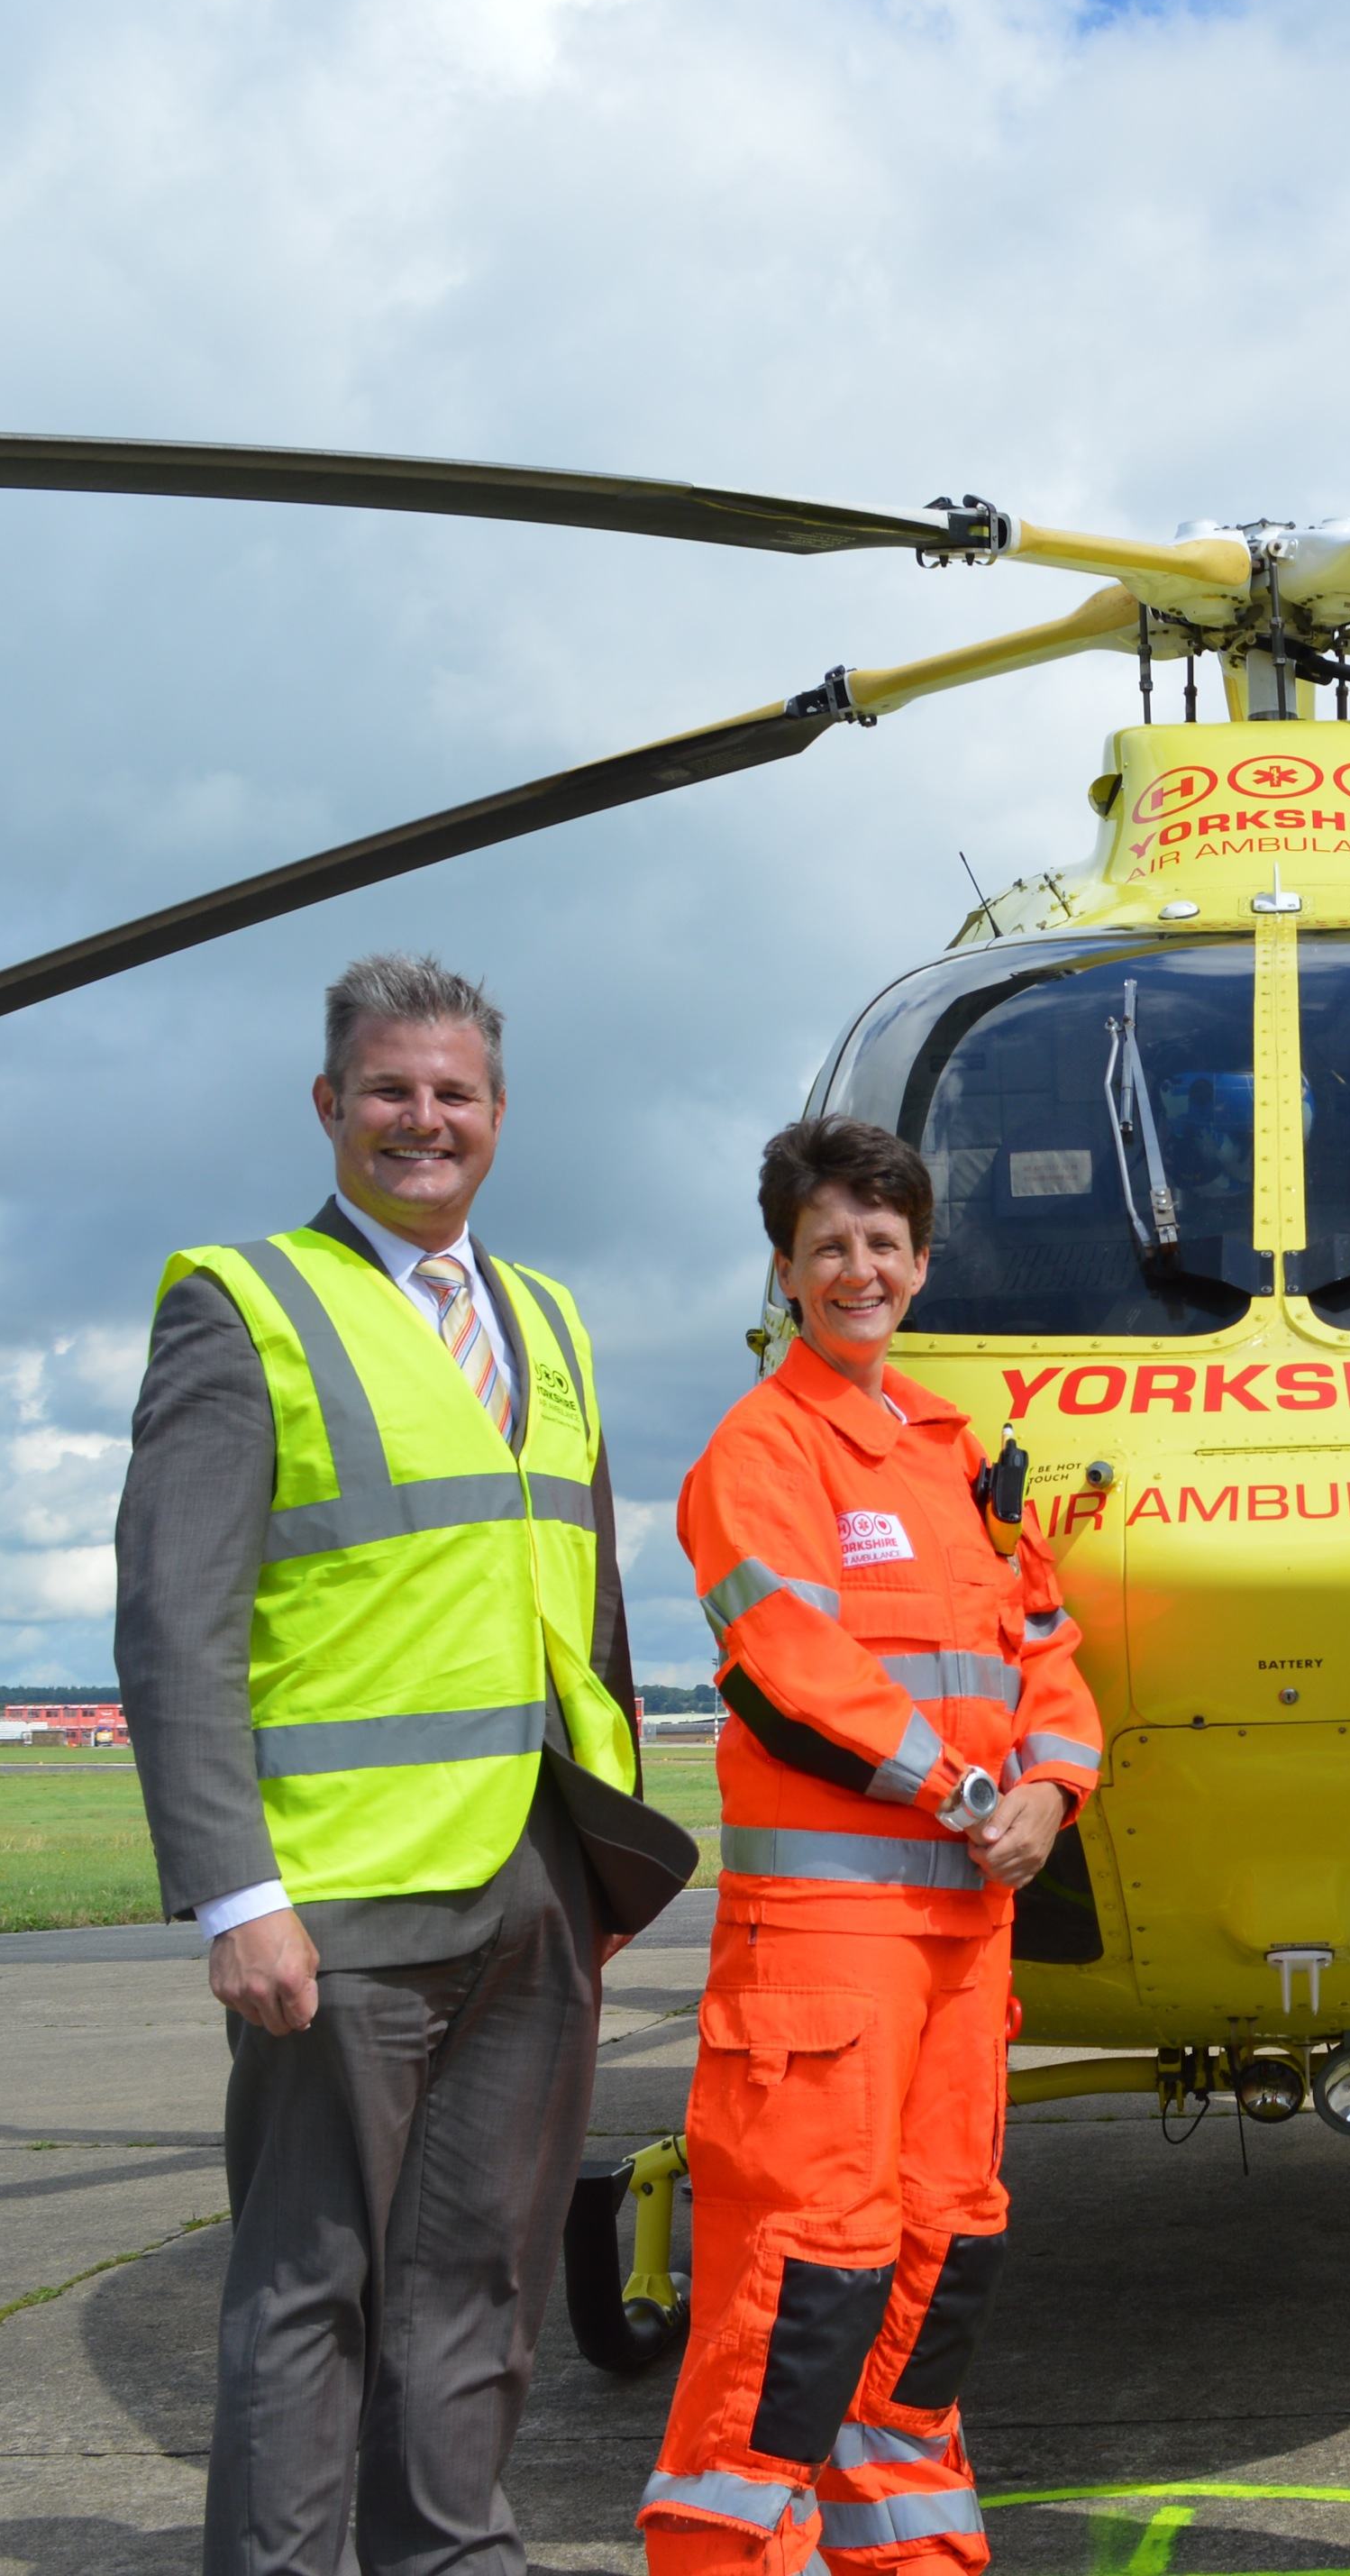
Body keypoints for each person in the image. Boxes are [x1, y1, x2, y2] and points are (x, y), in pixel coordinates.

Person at [116, 951, 699, 2576]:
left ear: (499, 1119)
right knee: (312, 2285)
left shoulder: (553, 1318)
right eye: (389, 1090)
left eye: (452, 1094)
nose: (420, 1120)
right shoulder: (242, 1306)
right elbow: (175, 1627)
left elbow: (588, 1609)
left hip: (536, 1878)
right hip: (342, 1892)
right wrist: (238, 1895)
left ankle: (450, 2549)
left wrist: (607, 1854)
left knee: (482, 2270)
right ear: (329, 1107)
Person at [640, 1116, 1102, 2576]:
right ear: (785, 1269)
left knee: (940, 2253)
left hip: (965, 1948)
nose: (860, 1269)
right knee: (803, 2279)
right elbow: (792, 1666)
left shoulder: (949, 1462)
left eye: (884, 1245)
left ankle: (903, 2555)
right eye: (830, 1245)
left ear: (918, 1266)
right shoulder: (761, 1452)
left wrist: (1055, 1792)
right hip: (825, 1956)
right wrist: (972, 1797)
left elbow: (1047, 1650)